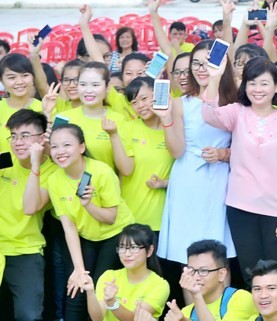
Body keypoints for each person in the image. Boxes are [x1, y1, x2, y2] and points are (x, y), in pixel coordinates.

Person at [202, 56, 277, 283]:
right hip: (240, 208)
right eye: (252, 83)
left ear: (276, 86)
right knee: (251, 274)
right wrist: (214, 78)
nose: (258, 89)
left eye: (264, 83)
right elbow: (209, 115)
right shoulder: (238, 112)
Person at [154, 40, 237, 307]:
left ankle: (223, 312)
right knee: (188, 256)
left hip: (221, 182)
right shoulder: (180, 103)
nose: (203, 69)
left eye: (209, 62)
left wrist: (224, 154)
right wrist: (166, 119)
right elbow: (177, 150)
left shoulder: (234, 101)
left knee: (218, 254)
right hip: (188, 180)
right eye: (197, 63)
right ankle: (193, 312)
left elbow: (247, 148)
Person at [24, 123, 134, 321]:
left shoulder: (102, 171)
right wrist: (79, 269)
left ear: (82, 147)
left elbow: (110, 219)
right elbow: (69, 226)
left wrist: (88, 205)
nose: (60, 152)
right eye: (55, 146)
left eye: (67, 145)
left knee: (98, 288)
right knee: (76, 287)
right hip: (86, 236)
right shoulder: (55, 180)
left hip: (115, 235)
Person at [0, 110, 57, 321]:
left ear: (42, 139)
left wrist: (35, 166)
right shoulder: (5, 161)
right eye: (13, 136)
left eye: (25, 136)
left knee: (29, 315)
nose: (17, 142)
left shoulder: (53, 172)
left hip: (25, 250)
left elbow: (30, 207)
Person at [77, 224, 169, 321]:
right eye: (122, 247)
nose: (127, 254)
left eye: (134, 248)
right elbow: (97, 318)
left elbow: (134, 318)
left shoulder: (159, 285)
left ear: (149, 251)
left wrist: (112, 302)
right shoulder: (109, 276)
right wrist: (90, 292)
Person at [119, 77, 174, 231]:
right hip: (131, 216)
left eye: (144, 98)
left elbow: (185, 174)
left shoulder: (173, 128)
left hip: (165, 218)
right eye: (134, 103)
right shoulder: (127, 128)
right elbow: (124, 170)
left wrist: (163, 183)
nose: (140, 106)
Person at [162, 240, 256, 321]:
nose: (196, 277)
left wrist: (196, 295)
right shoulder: (186, 312)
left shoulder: (241, 299)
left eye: (203, 271)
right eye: (192, 270)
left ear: (222, 274)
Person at [0, 53, 43, 153]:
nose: (19, 82)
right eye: (11, 77)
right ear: (2, 81)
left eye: (25, 75)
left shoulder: (44, 108)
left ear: (32, 77)